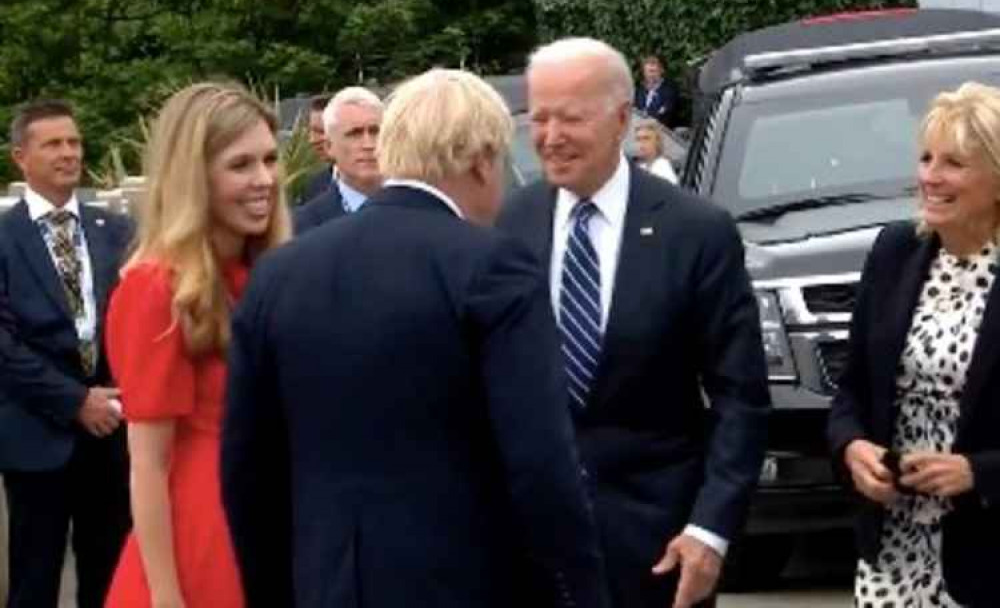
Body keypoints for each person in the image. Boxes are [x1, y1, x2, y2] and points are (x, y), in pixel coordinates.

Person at [222, 68, 608, 608]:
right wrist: (581, 591)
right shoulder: (492, 267)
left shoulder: (281, 273)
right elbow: (541, 461)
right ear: (481, 160)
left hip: (328, 582)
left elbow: (247, 469)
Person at [497, 37, 770, 608]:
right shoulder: (508, 225)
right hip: (532, 555)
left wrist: (710, 530)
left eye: (569, 118)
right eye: (538, 118)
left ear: (621, 118)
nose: (549, 137)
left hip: (661, 552)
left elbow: (739, 396)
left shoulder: (695, 231)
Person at [103, 82, 292, 608]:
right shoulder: (155, 288)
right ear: (194, 176)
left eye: (270, 160)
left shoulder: (264, 276)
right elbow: (148, 464)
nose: (265, 180)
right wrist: (167, 597)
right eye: (241, 165)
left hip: (272, 521)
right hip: (203, 543)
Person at [828, 82, 1000, 608]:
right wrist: (851, 448)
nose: (930, 176)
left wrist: (978, 472)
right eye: (926, 158)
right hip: (894, 551)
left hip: (989, 558)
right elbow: (851, 390)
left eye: (953, 163)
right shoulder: (896, 251)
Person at [0, 100, 132, 608]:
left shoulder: (116, 232)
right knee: (34, 579)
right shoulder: (6, 239)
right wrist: (76, 401)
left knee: (108, 574)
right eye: (53, 144)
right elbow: (4, 347)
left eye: (74, 142)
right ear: (21, 157)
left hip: (110, 438)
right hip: (37, 436)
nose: (69, 153)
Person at [294, 87, 383, 233]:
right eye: (354, 134)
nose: (369, 144)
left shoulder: (420, 207)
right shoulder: (303, 225)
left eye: (375, 131)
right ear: (329, 146)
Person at [298, 94, 334, 204]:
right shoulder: (313, 188)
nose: (312, 140)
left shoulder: (382, 185)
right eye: (312, 131)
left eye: (321, 131)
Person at [634, 55, 678, 128]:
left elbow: (664, 116)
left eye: (653, 71)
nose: (650, 75)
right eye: (648, 71)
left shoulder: (669, 91)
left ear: (662, 70)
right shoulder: (639, 90)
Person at [634, 118, 679, 184]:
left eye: (646, 138)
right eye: (638, 139)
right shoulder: (641, 167)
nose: (641, 144)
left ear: (657, 141)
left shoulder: (662, 169)